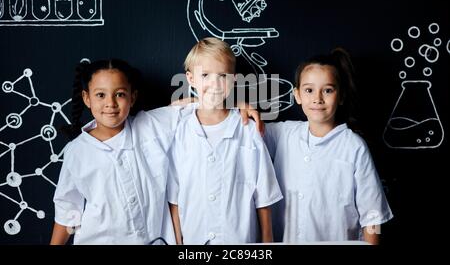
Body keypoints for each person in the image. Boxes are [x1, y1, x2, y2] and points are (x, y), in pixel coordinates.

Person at [50, 58, 263, 245]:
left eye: (120, 94)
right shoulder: (76, 152)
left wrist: (237, 106)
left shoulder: (153, 125)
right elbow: (67, 211)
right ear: (87, 98)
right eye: (100, 95)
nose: (110, 104)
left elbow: (200, 105)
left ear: (132, 97)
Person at [264, 48, 393, 244]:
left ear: (340, 96)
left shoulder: (353, 147)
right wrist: (242, 106)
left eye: (328, 90)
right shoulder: (284, 134)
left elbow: (373, 214)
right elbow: (245, 126)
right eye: (309, 90)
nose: (318, 98)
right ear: (297, 95)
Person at [167, 37, 283, 245]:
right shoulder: (179, 130)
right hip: (194, 240)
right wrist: (178, 241)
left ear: (234, 79)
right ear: (190, 79)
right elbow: (174, 196)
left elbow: (263, 194)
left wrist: (268, 243)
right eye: (205, 75)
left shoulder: (247, 129)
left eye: (223, 75)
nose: (215, 83)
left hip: (239, 241)